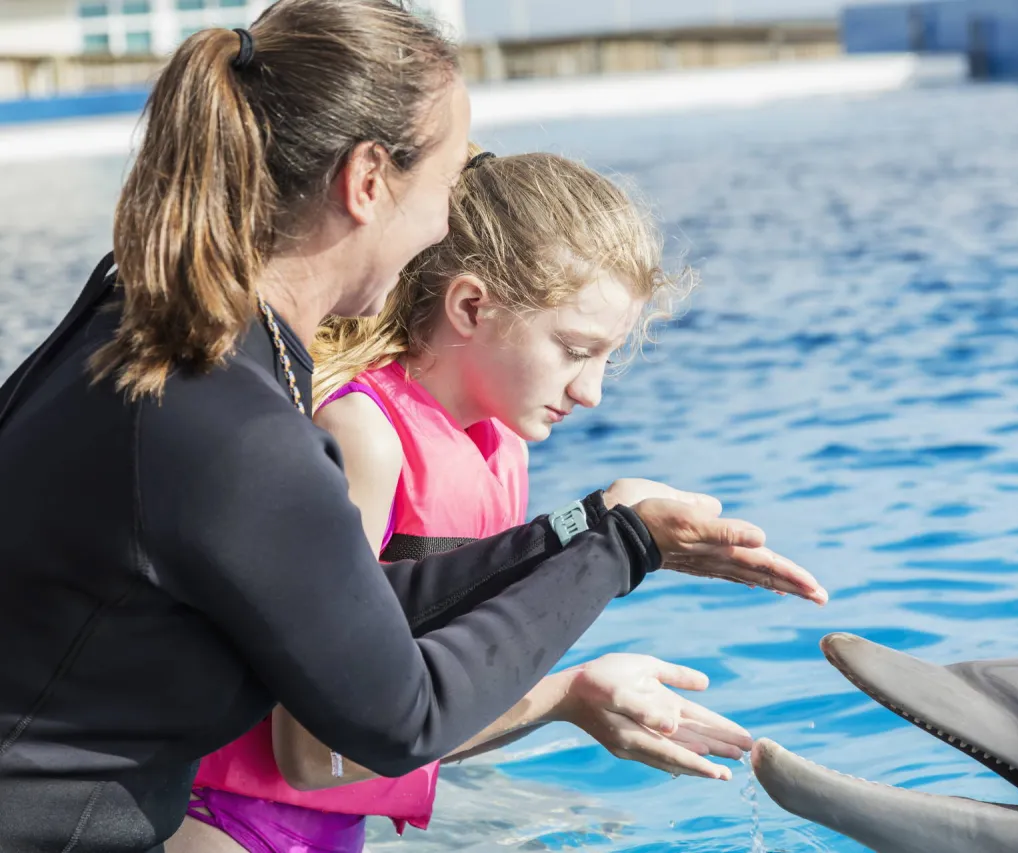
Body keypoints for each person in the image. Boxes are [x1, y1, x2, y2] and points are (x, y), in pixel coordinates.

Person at [0, 3, 826, 852]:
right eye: (444, 185)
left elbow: (336, 606)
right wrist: (617, 556)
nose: (443, 226)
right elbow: (396, 715)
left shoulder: (148, 322)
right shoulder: (233, 423)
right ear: (366, 182)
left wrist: (592, 530)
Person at [174, 146, 754, 852]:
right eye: (574, 349)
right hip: (223, 826)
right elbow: (313, 749)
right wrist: (563, 698)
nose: (592, 390)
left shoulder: (499, 448)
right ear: (471, 305)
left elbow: (422, 705)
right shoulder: (365, 436)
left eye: (608, 357)